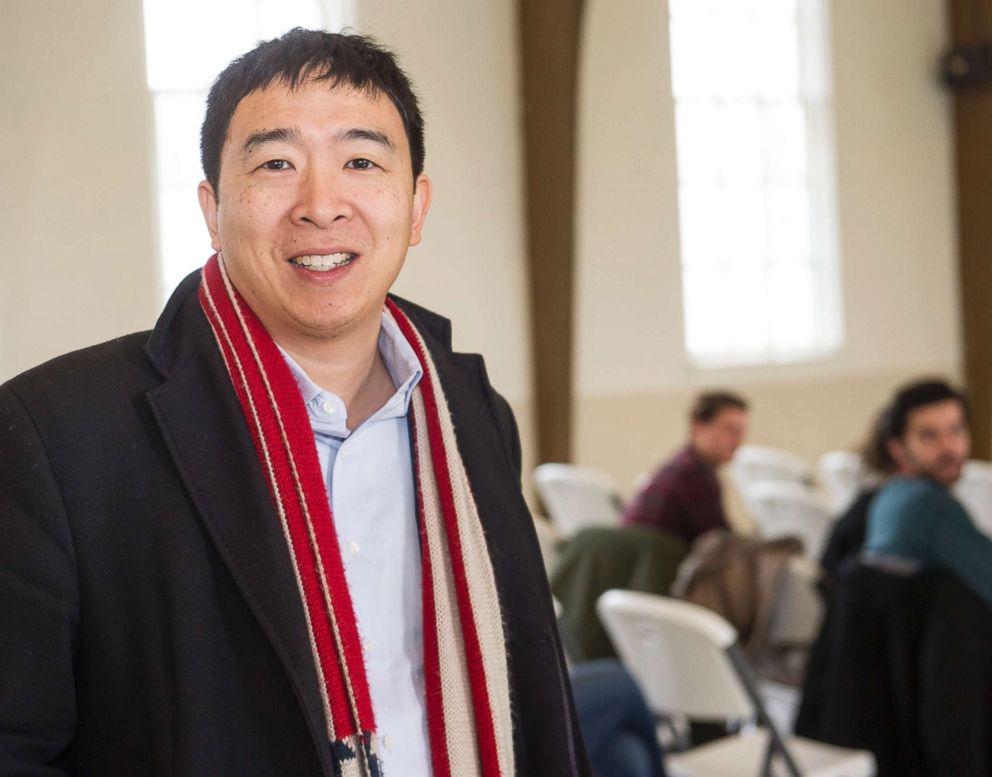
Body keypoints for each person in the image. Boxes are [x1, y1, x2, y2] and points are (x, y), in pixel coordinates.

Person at [0, 30, 588, 777]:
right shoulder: (56, 436)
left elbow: (535, 698)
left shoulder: (472, 412)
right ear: (213, 209)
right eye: (277, 163)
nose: (320, 206)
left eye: (361, 162)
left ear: (415, 206)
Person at [864, 378, 992, 607]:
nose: (948, 447)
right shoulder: (928, 506)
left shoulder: (890, 496)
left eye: (956, 429)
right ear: (897, 448)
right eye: (929, 435)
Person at [622, 391, 748, 545]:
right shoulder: (695, 475)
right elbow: (721, 544)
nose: (738, 441)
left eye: (741, 432)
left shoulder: (678, 465)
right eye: (730, 430)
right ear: (697, 428)